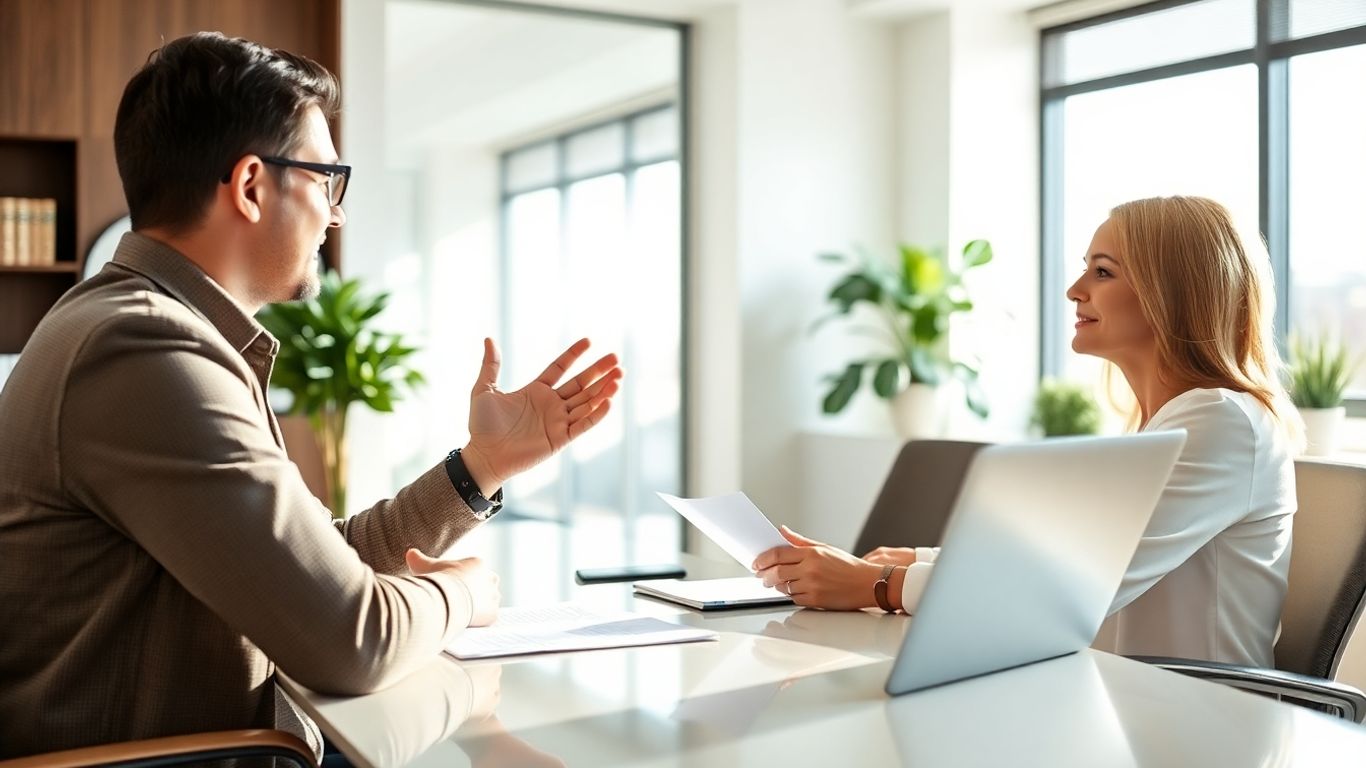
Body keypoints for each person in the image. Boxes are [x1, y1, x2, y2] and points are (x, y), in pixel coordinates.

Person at [0, 32, 622, 760]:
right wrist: (467, 596)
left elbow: (325, 563)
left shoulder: (154, 332)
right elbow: (353, 638)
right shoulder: (142, 351)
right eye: (326, 180)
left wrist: (479, 466)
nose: (337, 215)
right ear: (253, 187)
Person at [754, 196, 1300, 667]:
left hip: (1194, 725)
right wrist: (910, 561)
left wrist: (876, 586)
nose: (1074, 289)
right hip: (1120, 699)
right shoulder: (1169, 422)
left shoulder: (1222, 422)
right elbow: (1054, 559)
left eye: (1103, 272)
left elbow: (1071, 585)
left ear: (1171, 296)